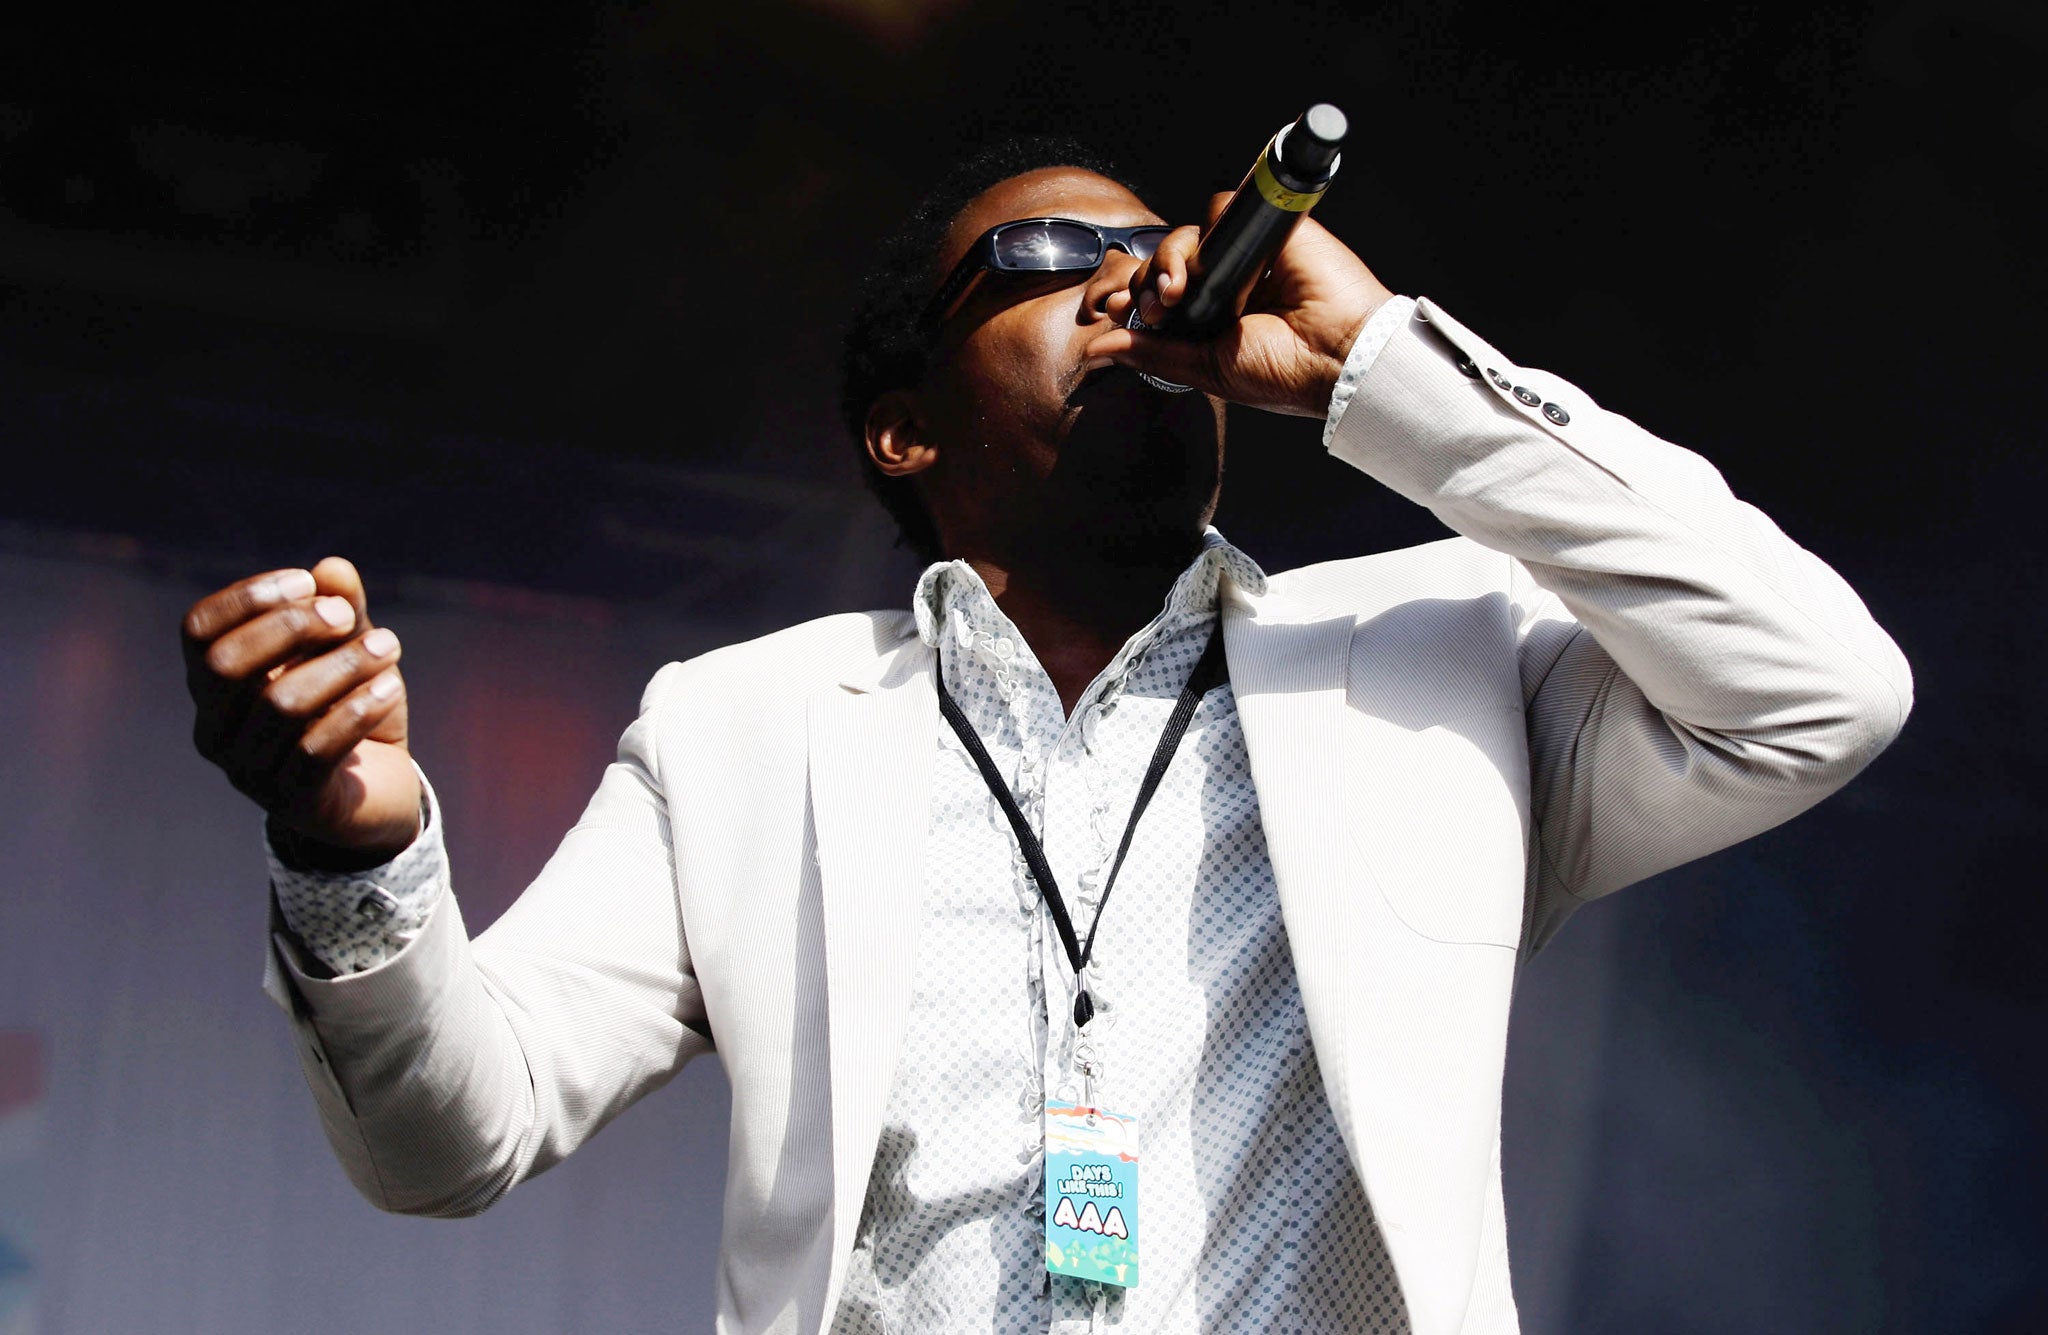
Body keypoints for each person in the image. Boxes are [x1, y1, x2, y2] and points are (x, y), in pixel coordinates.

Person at [180, 137, 1912, 1334]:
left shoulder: (1440, 661)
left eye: (1149, 251)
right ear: (905, 433)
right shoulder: (746, 731)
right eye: (1045, 259)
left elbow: (1821, 689)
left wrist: (1379, 369)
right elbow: (450, 1140)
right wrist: (351, 848)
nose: (1126, 280)